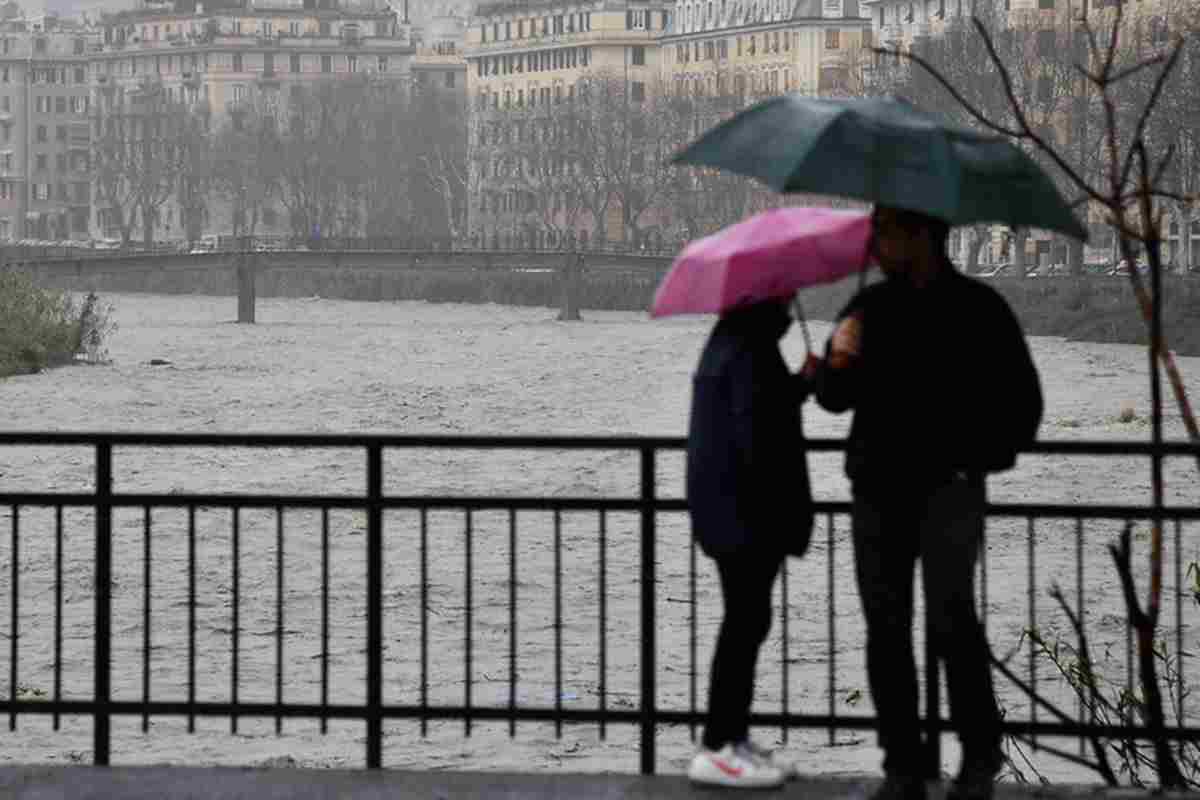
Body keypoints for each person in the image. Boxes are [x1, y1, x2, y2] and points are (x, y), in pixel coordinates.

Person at [813, 206, 1043, 800]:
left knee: (949, 621)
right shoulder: (870, 308)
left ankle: (975, 751)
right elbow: (835, 400)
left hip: (945, 490)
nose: (877, 243)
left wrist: (977, 458)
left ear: (923, 236)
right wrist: (836, 363)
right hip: (884, 492)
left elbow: (1024, 406)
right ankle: (905, 762)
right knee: (889, 629)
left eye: (885, 231)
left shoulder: (976, 309)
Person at [685, 297, 818, 789]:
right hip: (744, 512)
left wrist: (800, 383)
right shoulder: (748, 349)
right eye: (782, 297)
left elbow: (761, 410)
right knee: (745, 622)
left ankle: (731, 738)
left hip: (732, 509)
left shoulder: (738, 343)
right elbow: (758, 428)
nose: (789, 303)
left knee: (747, 620)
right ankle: (719, 745)